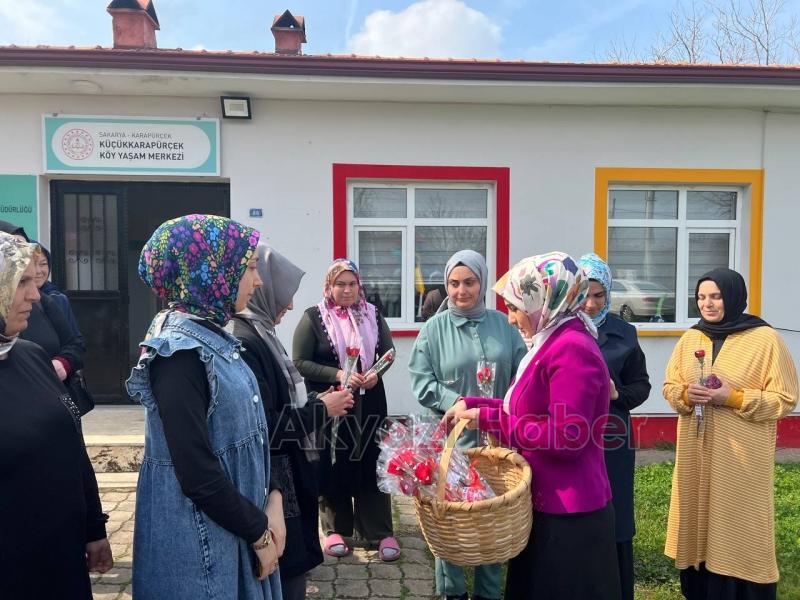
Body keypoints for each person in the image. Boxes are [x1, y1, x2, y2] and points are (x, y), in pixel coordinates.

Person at [447, 251, 622, 600]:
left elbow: (567, 438)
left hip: (570, 519)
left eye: (516, 307)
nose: (511, 318)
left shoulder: (572, 349)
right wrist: (475, 404)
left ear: (545, 300)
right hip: (547, 505)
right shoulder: (551, 338)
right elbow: (525, 408)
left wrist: (490, 419)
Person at [125, 215, 283, 599]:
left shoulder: (214, 338)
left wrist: (274, 497)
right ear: (211, 273)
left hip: (235, 529)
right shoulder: (178, 356)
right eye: (249, 268)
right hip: (202, 550)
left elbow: (253, 430)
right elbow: (196, 471)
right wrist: (259, 532)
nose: (258, 281)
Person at [663, 268, 798, 600]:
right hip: (696, 454)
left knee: (740, 526)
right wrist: (685, 395)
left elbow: (785, 398)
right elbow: (670, 386)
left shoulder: (765, 339)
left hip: (741, 458)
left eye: (716, 296)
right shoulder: (691, 338)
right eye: (701, 297)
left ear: (734, 296)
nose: (707, 304)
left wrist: (734, 397)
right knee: (698, 522)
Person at [233, 245, 355, 600]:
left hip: (286, 474)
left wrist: (315, 401)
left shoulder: (261, 332)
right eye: (284, 295)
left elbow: (280, 402)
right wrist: (321, 410)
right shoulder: (245, 340)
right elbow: (265, 427)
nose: (288, 305)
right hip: (274, 482)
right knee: (286, 578)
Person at [409, 249, 527, 600]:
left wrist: (508, 407)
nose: (461, 291)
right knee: (450, 519)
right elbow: (421, 382)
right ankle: (453, 591)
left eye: (470, 282)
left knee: (492, 517)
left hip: (497, 440)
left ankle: (489, 592)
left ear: (482, 283)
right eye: (454, 283)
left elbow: (523, 374)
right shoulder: (433, 330)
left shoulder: (503, 324)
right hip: (451, 442)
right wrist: (457, 404)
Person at [0, 231, 112, 599]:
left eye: (34, 281)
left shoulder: (31, 356)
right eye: (21, 282)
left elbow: (72, 448)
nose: (34, 295)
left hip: (60, 557)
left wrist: (94, 528)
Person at [292, 258, 399, 562]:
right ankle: (335, 529)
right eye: (340, 284)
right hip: (332, 402)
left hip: (370, 402)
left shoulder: (372, 314)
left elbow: (388, 353)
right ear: (329, 286)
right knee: (334, 458)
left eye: (352, 284)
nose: (347, 290)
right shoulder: (314, 317)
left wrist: (377, 373)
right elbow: (300, 361)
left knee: (372, 458)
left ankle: (377, 530)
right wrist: (339, 374)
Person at [579, 252, 651, 600]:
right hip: (571, 436)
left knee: (615, 513)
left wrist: (617, 393)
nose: (591, 304)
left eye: (598, 295)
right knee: (578, 514)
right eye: (584, 295)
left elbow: (642, 386)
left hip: (612, 438)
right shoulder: (560, 329)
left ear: (608, 294)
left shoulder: (624, 333)